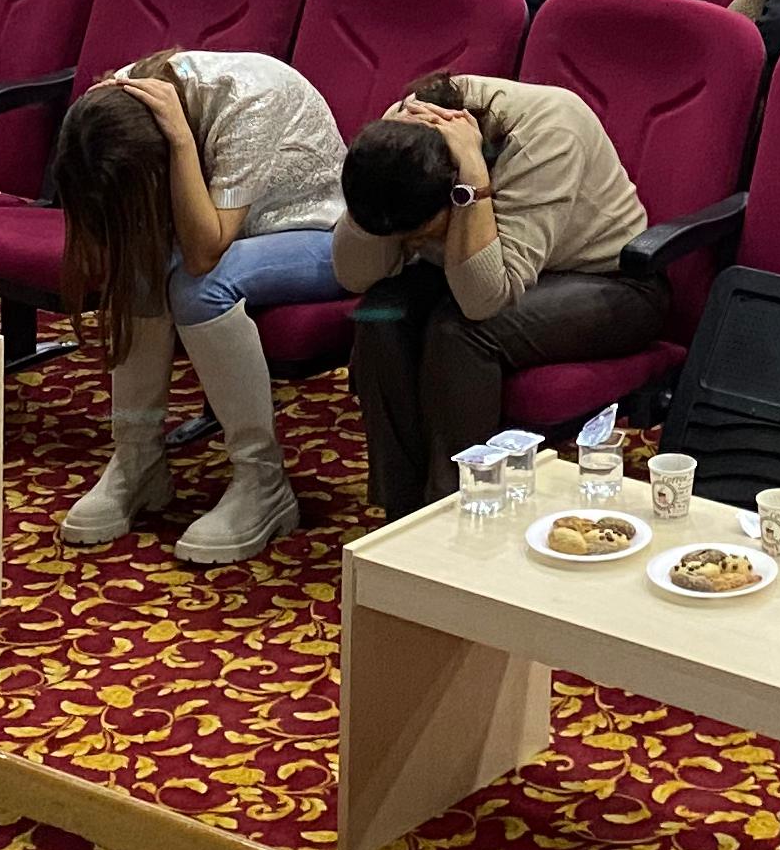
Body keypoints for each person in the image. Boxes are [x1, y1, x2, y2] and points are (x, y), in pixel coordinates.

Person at [50, 54, 345, 563]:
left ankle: (263, 481)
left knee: (199, 286)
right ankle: (138, 458)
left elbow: (205, 251)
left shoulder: (251, 99)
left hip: (317, 231)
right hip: (234, 233)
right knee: (141, 269)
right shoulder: (123, 99)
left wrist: (183, 141)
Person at [335, 73, 660, 520]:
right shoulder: (407, 137)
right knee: (380, 315)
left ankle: (455, 509)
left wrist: (474, 180)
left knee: (460, 332)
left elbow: (483, 301)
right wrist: (372, 176)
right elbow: (355, 276)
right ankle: (402, 514)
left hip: (613, 285)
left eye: (421, 235)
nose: (413, 245)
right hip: (482, 277)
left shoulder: (549, 133)